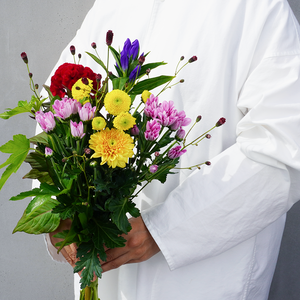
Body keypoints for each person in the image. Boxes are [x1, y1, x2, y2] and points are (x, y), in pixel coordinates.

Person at [44, 0, 300, 299]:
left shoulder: (257, 9)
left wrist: (162, 230)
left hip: (204, 279)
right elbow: (56, 108)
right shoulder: (111, 7)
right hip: (104, 268)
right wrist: (60, 213)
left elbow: (282, 148)